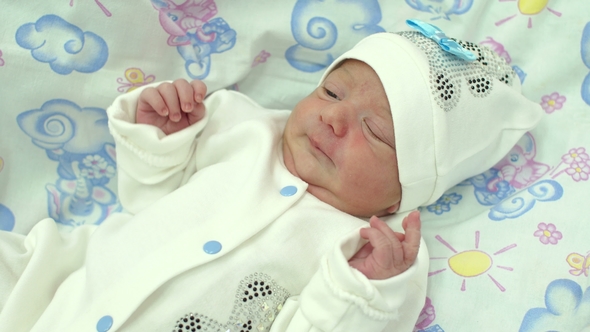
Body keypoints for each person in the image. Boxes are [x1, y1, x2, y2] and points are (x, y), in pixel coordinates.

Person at [0, 19, 543, 332]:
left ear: (410, 185)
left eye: (375, 131)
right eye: (331, 91)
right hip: (54, 294)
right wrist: (160, 138)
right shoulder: (243, 127)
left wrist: (362, 292)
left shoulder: (361, 251)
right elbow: (148, 201)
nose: (332, 116)